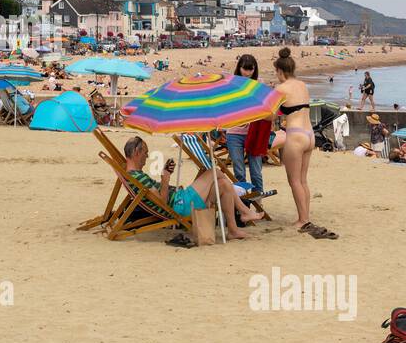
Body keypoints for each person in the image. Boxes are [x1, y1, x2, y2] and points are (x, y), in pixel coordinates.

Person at [122, 136, 260, 243]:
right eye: (145, 152)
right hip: (180, 205)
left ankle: (233, 230)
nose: (147, 156)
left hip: (180, 200)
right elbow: (162, 203)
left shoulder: (133, 175)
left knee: (223, 184)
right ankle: (244, 211)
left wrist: (166, 180)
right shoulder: (137, 178)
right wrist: (165, 179)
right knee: (214, 171)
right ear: (136, 152)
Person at [272, 47, 337, 239]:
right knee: (303, 180)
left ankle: (303, 219)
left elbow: (271, 116)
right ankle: (304, 216)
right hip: (309, 134)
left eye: (277, 73)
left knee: (294, 181)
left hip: (295, 135)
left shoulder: (280, 89)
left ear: (280, 71)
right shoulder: (302, 85)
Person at [224, 54, 265, 190]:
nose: (247, 73)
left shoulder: (259, 84)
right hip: (234, 132)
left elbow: (264, 107)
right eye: (244, 69)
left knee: (256, 171)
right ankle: (243, 203)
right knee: (239, 171)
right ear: (239, 68)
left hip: (253, 132)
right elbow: (227, 107)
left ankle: (258, 202)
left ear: (255, 69)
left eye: (250, 70)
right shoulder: (232, 84)